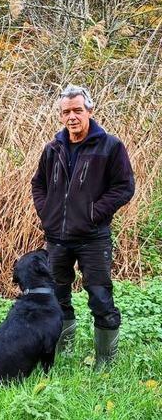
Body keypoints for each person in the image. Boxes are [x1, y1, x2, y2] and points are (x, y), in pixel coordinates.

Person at [31, 85, 135, 370]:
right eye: (66, 112)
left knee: (101, 299)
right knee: (57, 296)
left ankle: (105, 361)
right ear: (61, 116)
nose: (72, 117)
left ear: (90, 110)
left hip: (93, 238)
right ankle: (63, 350)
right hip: (57, 238)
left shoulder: (110, 146)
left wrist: (93, 213)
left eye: (78, 110)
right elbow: (37, 184)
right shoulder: (53, 148)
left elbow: (124, 187)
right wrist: (47, 212)